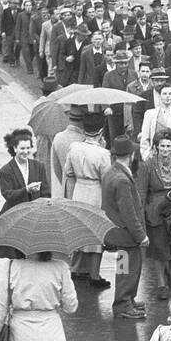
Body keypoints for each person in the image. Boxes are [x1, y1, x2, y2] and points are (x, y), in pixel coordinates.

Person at [138, 130, 171, 298]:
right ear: (156, 147)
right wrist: (141, 216)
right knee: (159, 249)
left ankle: (170, 270)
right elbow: (141, 191)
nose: (165, 149)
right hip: (155, 210)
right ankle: (161, 285)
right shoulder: (147, 165)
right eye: (162, 146)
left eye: (168, 146)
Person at [101, 135, 148, 319]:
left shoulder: (112, 172)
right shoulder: (122, 179)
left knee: (123, 269)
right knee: (128, 270)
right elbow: (129, 213)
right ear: (131, 154)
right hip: (126, 235)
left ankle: (127, 299)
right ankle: (123, 304)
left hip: (117, 233)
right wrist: (141, 235)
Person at [63, 114, 113, 288]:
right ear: (100, 132)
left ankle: (76, 268)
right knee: (96, 234)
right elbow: (106, 178)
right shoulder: (103, 153)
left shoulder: (74, 147)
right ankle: (94, 273)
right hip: (95, 191)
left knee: (79, 230)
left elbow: (68, 171)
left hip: (79, 189)